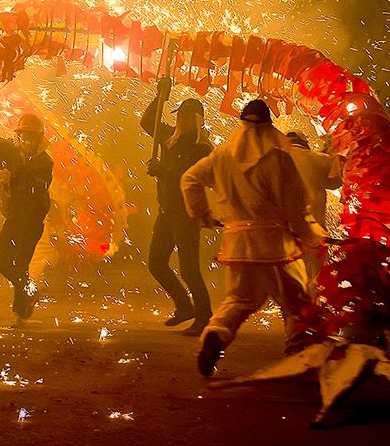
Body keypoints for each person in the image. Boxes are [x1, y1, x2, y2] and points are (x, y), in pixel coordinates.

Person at [181, 99, 325, 376]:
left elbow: (189, 179)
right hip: (274, 245)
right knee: (297, 303)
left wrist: (203, 214)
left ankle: (216, 334)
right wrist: (312, 237)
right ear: (269, 126)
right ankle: (299, 354)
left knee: (239, 300)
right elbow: (294, 209)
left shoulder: (222, 155)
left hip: (236, 242)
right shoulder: (278, 159)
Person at [141, 77, 213, 336]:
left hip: (185, 213)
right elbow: (147, 122)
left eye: (184, 115)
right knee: (157, 263)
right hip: (166, 211)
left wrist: (163, 171)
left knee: (189, 268)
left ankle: (204, 315)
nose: (180, 120)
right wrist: (161, 94)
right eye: (178, 115)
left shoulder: (201, 148)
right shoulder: (170, 138)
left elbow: (188, 178)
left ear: (195, 119)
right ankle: (184, 305)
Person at [0, 108, 53, 323]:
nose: (26, 140)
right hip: (13, 218)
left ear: (39, 138)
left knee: (20, 265)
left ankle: (21, 313)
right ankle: (30, 291)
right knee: (4, 264)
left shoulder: (44, 162)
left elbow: (36, 185)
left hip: (31, 222)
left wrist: (12, 177)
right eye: (23, 135)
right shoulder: (10, 150)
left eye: (31, 136)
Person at [285, 131, 341, 281]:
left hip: (281, 236)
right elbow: (335, 181)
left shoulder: (273, 160)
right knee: (315, 283)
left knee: (288, 286)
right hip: (312, 234)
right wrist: (333, 152)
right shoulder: (317, 159)